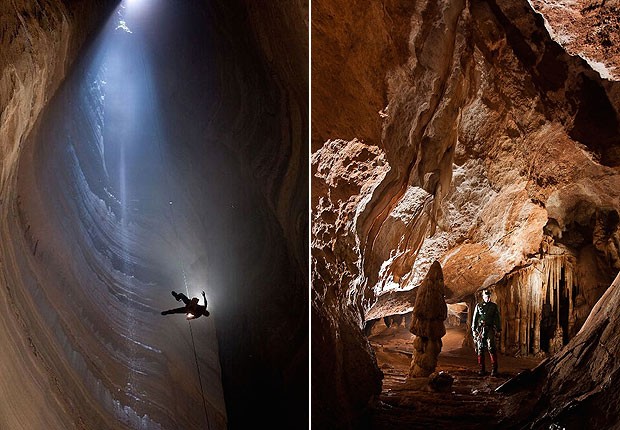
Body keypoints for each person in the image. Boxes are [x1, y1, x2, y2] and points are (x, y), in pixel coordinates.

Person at [471, 289, 501, 376]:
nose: (487, 298)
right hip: (480, 329)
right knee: (480, 348)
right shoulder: (478, 306)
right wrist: (473, 330)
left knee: (491, 347)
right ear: (483, 297)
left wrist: (498, 329)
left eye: (488, 296)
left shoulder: (493, 306)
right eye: (486, 296)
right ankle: (481, 369)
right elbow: (475, 318)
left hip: (489, 328)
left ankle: (494, 369)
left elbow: (497, 318)